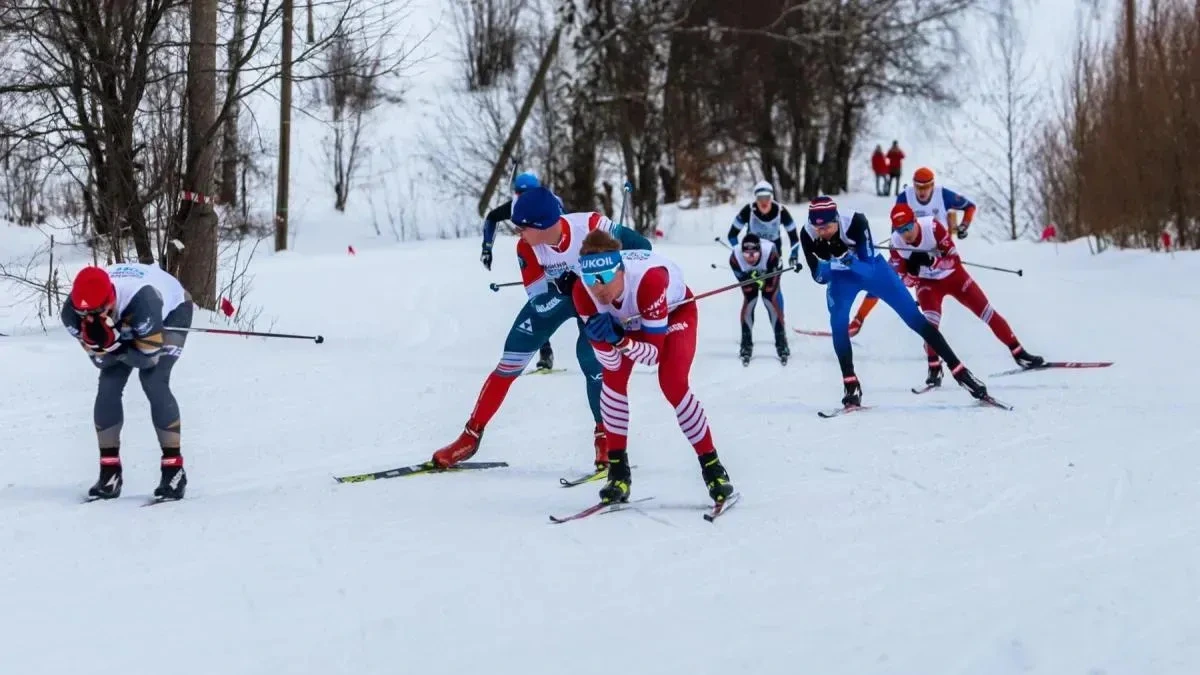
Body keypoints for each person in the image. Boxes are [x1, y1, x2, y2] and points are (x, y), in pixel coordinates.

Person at [432, 187, 653, 472]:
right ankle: (470, 436)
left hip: (596, 300)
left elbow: (643, 248)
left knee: (591, 360)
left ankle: (604, 435)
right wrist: (565, 287)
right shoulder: (527, 247)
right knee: (510, 360)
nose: (517, 232)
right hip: (558, 299)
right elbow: (539, 300)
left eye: (521, 226)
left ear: (541, 224)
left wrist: (611, 271)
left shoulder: (591, 225)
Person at [571, 230, 734, 506]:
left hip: (673, 315)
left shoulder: (650, 280)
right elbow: (611, 364)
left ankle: (712, 467)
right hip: (627, 324)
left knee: (672, 383)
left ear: (621, 270)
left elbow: (652, 356)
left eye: (605, 277)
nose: (598, 288)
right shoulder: (582, 293)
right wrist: (599, 341)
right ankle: (618, 473)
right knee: (612, 384)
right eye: (590, 279)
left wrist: (618, 339)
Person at [799, 195, 989, 406]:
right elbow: (819, 278)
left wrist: (845, 256)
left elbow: (868, 271)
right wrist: (825, 261)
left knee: (914, 318)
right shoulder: (808, 234)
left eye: (827, 227)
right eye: (818, 229)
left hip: (873, 271)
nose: (822, 232)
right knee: (838, 324)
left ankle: (960, 372)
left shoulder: (855, 222)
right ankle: (851, 384)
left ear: (836, 219)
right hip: (841, 278)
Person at [62, 263, 194, 501]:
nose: (90, 319)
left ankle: (174, 470)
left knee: (153, 381)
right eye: (84, 314)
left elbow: (148, 361)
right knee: (108, 385)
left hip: (172, 308)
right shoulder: (71, 314)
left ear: (111, 299)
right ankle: (110, 472)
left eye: (98, 311)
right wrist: (107, 345)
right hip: (127, 321)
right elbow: (102, 363)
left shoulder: (143, 302)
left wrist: (116, 345)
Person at [888, 204, 1044, 386]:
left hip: (954, 277)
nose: (906, 234)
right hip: (928, 284)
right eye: (900, 230)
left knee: (986, 312)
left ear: (915, 221)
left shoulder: (932, 227)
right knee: (930, 326)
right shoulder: (896, 244)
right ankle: (934, 367)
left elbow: (954, 260)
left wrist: (932, 260)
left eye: (908, 227)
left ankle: (1019, 353)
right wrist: (913, 273)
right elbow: (905, 281)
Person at [480, 171, 555, 371]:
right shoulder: (515, 205)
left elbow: (567, 227)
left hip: (554, 253)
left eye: (529, 194)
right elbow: (492, 217)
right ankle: (545, 353)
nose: (524, 200)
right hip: (529, 253)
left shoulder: (550, 202)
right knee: (537, 301)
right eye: (520, 195)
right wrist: (486, 248)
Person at [728, 233, 788, 364]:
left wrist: (765, 282)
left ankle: (781, 343)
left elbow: (771, 286)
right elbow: (746, 288)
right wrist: (751, 281)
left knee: (770, 300)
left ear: (760, 251)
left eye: (754, 254)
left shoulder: (770, 253)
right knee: (750, 301)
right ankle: (746, 344)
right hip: (750, 277)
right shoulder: (735, 258)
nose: (750, 258)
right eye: (746, 254)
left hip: (770, 274)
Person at [726, 181, 800, 265]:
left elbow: (794, 237)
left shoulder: (781, 211)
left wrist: (794, 254)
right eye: (760, 198)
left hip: (773, 258)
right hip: (751, 258)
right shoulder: (748, 210)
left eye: (767, 197)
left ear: (771, 198)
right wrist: (739, 251)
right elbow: (732, 235)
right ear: (756, 199)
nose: (764, 202)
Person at [896, 167, 976, 239]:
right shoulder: (905, 197)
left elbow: (970, 207)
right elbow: (896, 221)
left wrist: (963, 226)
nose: (922, 191)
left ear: (932, 185)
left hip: (940, 244)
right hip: (915, 244)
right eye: (918, 187)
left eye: (926, 187)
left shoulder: (943, 194)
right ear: (913, 184)